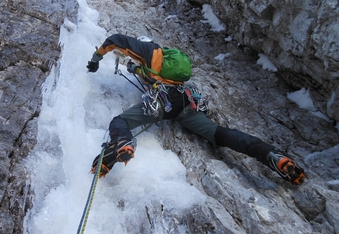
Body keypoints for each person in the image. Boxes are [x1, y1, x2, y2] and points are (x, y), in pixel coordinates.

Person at [86, 34, 307, 185]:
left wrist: (96, 58)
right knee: (219, 134)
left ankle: (121, 143)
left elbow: (114, 40)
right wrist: (132, 67)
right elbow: (144, 73)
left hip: (163, 102)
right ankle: (271, 156)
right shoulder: (163, 64)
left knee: (120, 122)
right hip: (186, 103)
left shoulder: (147, 49)